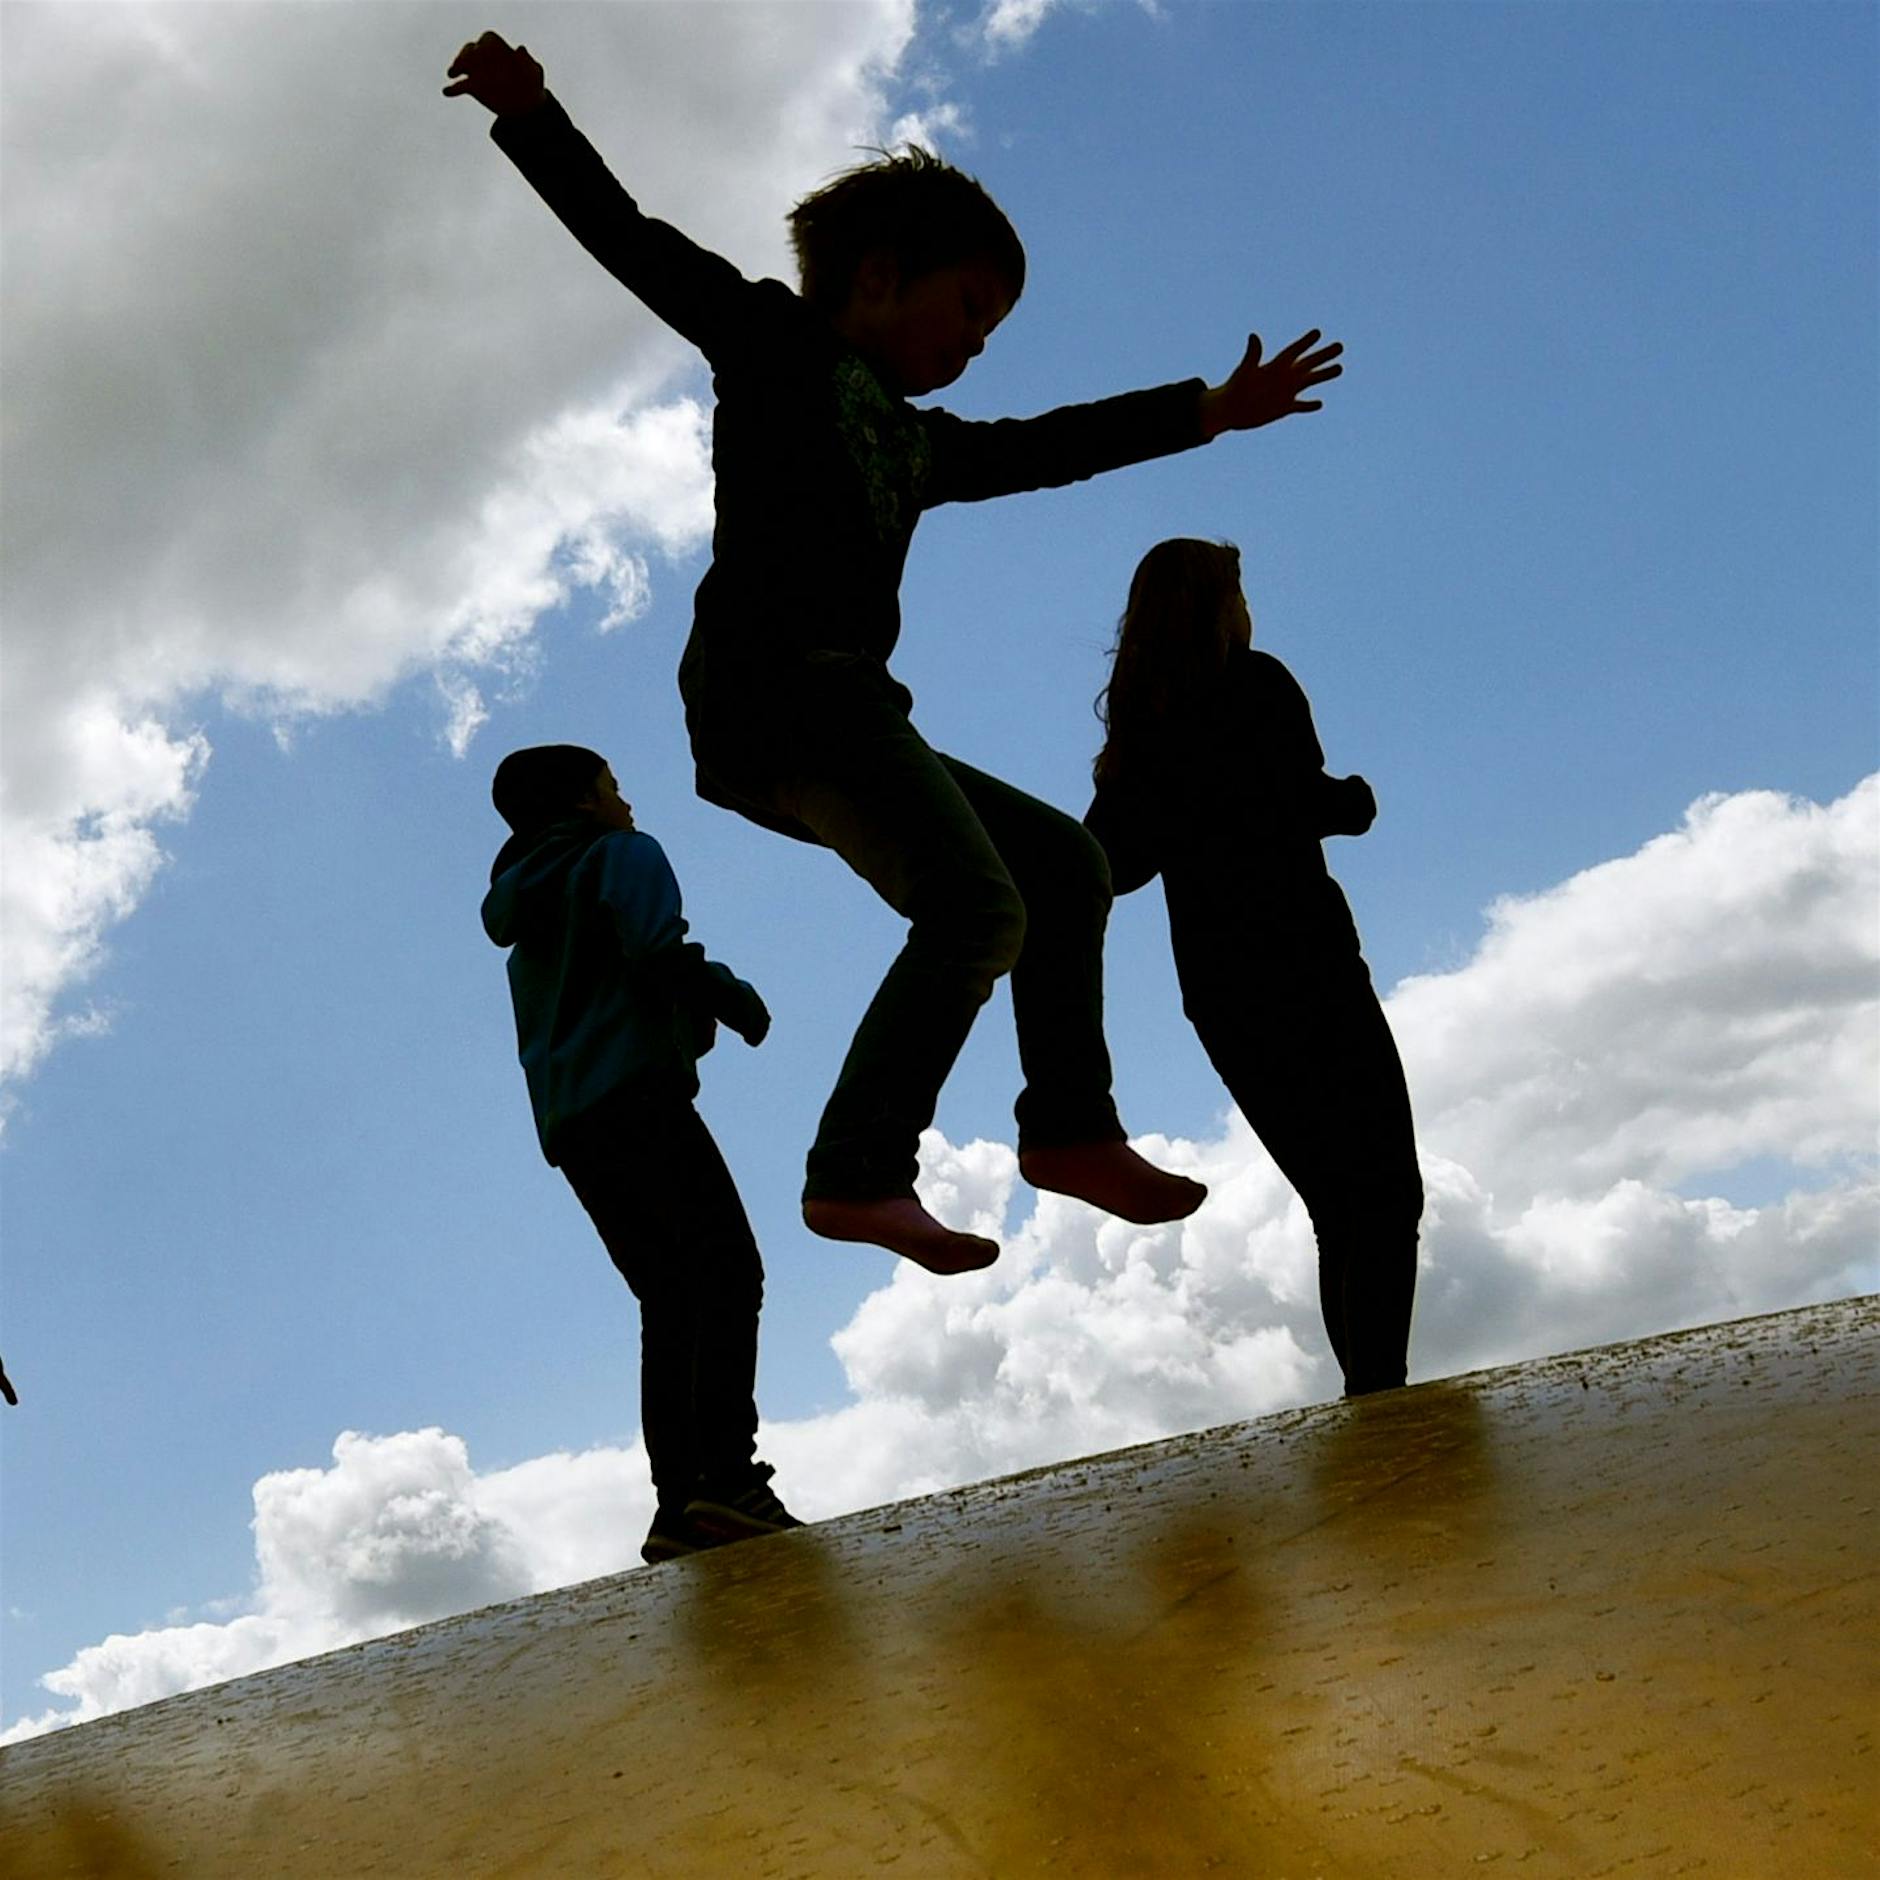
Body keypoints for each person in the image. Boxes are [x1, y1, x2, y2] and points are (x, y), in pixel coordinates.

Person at [446, 32, 1344, 1276]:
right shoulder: (775, 348)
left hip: (848, 717)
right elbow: (634, 240)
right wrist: (532, 114)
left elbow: (1042, 446)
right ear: (875, 278)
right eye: (968, 309)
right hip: (774, 699)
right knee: (976, 906)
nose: (977, 343)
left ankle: (1068, 1129)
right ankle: (857, 1170)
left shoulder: (917, 445)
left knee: (1065, 864)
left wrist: (1199, 412)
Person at [1085, 540, 1421, 1395]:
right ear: (1218, 605)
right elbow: (1307, 803)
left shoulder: (1143, 722)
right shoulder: (1258, 683)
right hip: (1308, 960)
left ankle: (1372, 1402)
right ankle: (1379, 1401)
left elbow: (1114, 865)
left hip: (1219, 988)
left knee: (1336, 1202)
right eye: (1239, 591)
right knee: (1384, 1193)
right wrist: (1356, 799)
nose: (1249, 608)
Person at [481, 743, 800, 1562]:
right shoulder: (621, 855)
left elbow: (601, 987)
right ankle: (727, 1481)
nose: (627, 802)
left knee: (670, 1295)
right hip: (641, 1101)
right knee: (729, 1272)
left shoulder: (526, 910)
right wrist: (731, 1000)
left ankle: (681, 1505)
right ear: (585, 803)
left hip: (574, 1125)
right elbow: (655, 950)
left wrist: (678, 1018)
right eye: (614, 787)